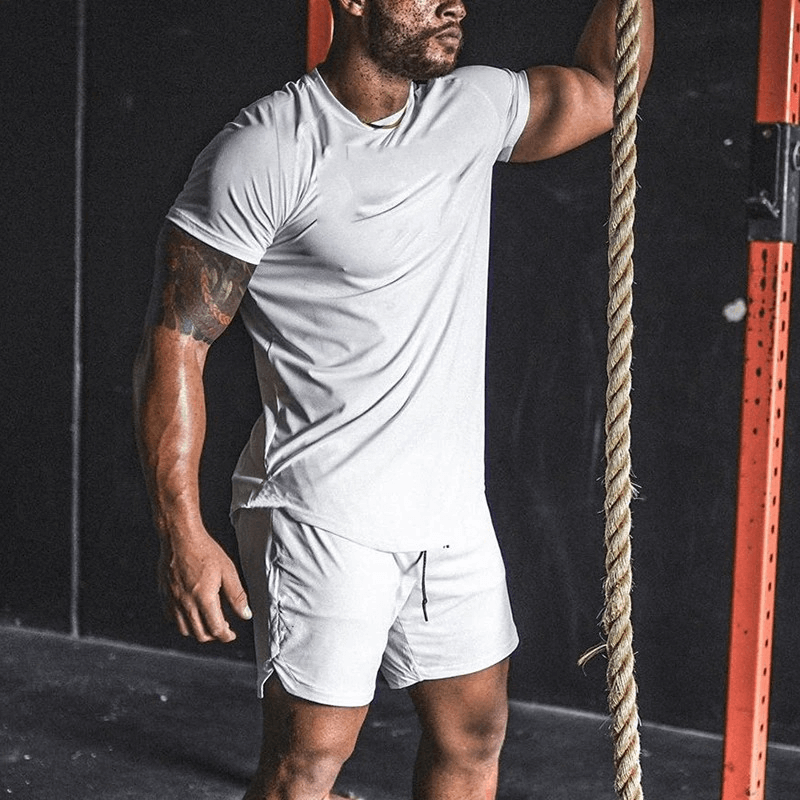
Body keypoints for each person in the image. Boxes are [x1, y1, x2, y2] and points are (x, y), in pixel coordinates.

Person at [133, 1, 654, 798]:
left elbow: (605, 86)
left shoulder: (473, 109)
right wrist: (184, 531)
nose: (454, 4)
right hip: (320, 509)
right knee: (307, 763)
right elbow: (178, 342)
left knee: (474, 739)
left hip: (448, 515)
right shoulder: (267, 149)